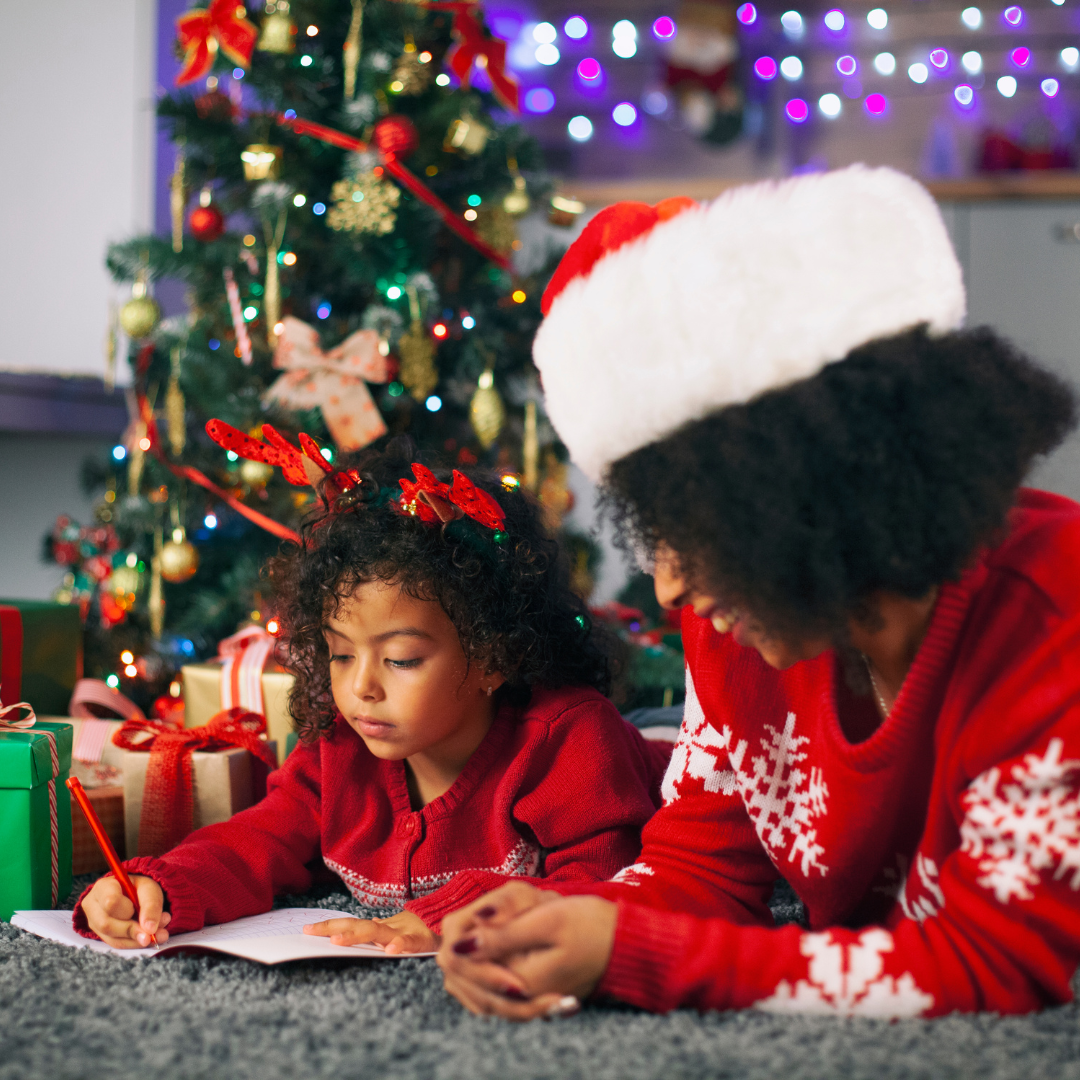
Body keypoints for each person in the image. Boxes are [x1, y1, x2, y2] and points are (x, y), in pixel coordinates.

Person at [436, 165, 1080, 1019]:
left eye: (694, 531)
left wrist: (636, 954)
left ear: (815, 497)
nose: (668, 587)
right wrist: (575, 922)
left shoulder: (1049, 610)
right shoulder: (747, 623)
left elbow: (996, 964)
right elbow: (704, 865)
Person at [75, 436, 669, 955]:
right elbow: (257, 837)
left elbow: (602, 885)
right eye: (340, 654)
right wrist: (162, 885)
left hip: (661, 754)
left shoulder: (570, 741)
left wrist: (449, 916)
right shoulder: (340, 747)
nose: (360, 687)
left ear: (495, 656)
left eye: (401, 659)